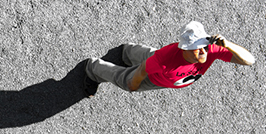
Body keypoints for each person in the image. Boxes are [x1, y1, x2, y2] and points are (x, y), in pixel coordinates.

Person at [84, 21, 255, 97]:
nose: (204, 52)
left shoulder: (210, 50)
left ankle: (126, 52)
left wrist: (228, 45)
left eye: (204, 46)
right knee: (123, 79)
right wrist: (133, 85)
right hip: (155, 78)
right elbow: (144, 70)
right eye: (198, 49)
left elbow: (249, 60)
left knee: (149, 54)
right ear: (185, 49)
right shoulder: (165, 61)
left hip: (158, 66)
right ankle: (93, 69)